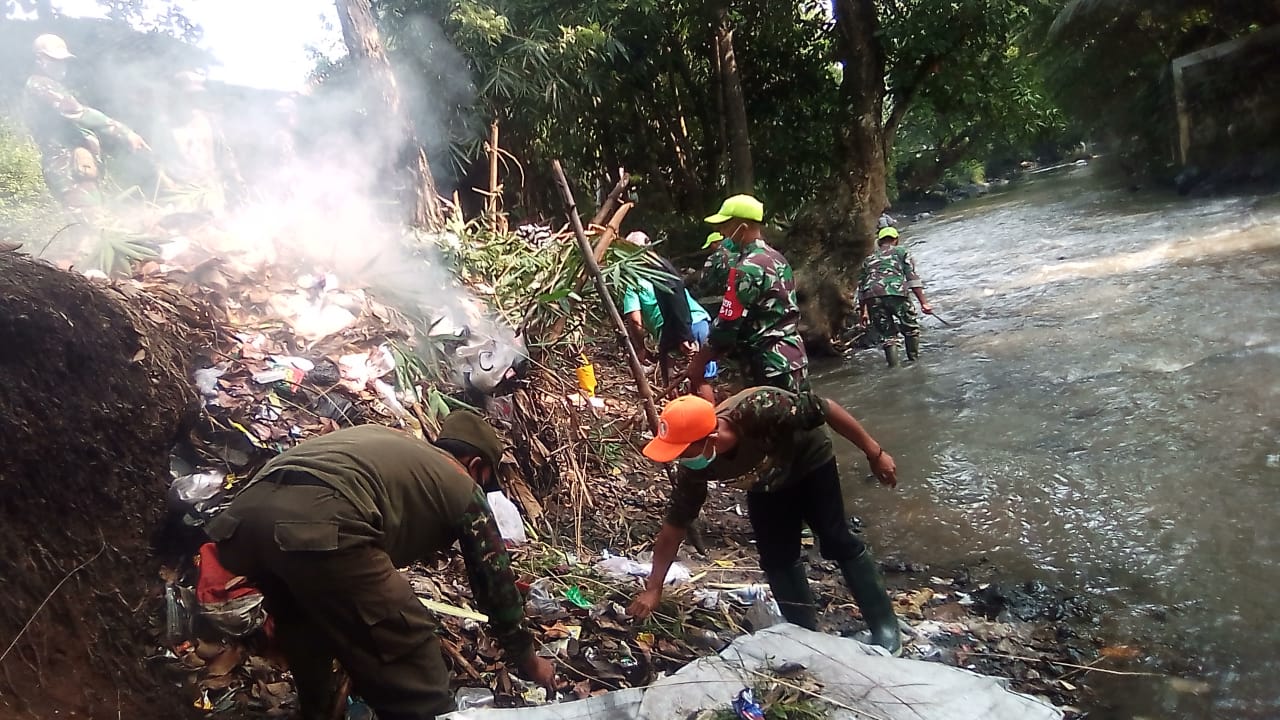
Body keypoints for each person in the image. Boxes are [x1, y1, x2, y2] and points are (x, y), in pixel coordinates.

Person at [205, 414, 556, 720]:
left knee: (304, 626)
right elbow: (494, 581)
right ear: (477, 465)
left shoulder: (387, 442)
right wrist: (529, 660)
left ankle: (318, 711)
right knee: (412, 656)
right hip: (320, 525)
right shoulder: (461, 483)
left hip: (241, 521)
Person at [627, 390, 903, 654]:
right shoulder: (695, 470)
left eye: (683, 450)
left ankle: (884, 627)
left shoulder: (762, 409)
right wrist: (654, 588)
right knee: (776, 558)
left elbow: (828, 408)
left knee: (835, 538)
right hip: (764, 482)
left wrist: (875, 454)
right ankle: (805, 633)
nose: (680, 458)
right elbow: (674, 528)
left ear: (711, 437)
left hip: (808, 460)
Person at [684, 194, 809, 394]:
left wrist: (700, 362)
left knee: (771, 423)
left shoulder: (747, 268)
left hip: (769, 365)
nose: (721, 232)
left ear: (741, 228)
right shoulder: (777, 259)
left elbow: (727, 324)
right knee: (802, 416)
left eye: (725, 226)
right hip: (794, 358)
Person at [23, 33, 150, 210]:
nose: (62, 65)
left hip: (78, 169)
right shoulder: (40, 84)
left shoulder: (53, 86)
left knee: (94, 225)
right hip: (67, 169)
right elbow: (78, 112)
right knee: (94, 226)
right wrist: (124, 132)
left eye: (64, 61)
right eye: (56, 60)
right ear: (39, 59)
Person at [619, 231, 717, 401]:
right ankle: (708, 424)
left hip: (677, 330)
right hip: (700, 322)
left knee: (674, 384)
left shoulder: (634, 281)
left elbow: (635, 320)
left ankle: (684, 424)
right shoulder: (663, 268)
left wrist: (641, 348)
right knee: (702, 379)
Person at [154, 70, 245, 215]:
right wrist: (169, 186)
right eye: (189, 95)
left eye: (196, 95)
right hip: (180, 196)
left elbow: (226, 155)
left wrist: (237, 182)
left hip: (211, 192)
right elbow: (156, 162)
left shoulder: (210, 120)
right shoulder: (163, 126)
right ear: (176, 95)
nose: (193, 99)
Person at [857, 226, 933, 366]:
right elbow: (912, 278)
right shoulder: (901, 252)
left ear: (879, 242)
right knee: (910, 329)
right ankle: (914, 362)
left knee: (888, 336)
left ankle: (894, 367)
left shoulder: (869, 259)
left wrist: (863, 312)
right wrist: (924, 303)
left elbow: (861, 287)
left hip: (872, 297)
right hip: (896, 293)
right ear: (896, 240)